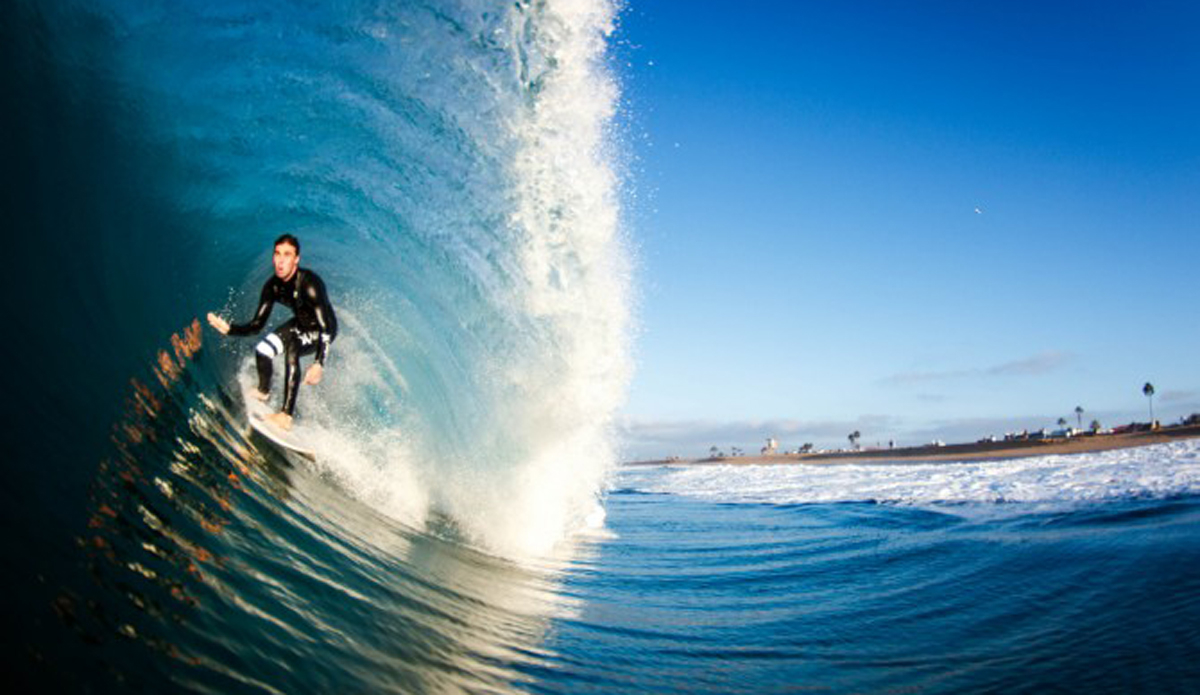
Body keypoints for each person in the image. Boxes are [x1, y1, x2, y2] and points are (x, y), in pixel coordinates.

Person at [207, 234, 337, 431]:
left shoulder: (310, 284)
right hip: (301, 323)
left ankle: (285, 416)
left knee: (293, 348)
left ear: (296, 259)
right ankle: (263, 391)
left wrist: (319, 363)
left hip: (323, 329)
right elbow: (257, 325)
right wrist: (230, 329)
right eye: (277, 254)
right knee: (263, 350)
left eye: (287, 254)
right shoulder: (273, 287)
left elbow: (325, 327)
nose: (281, 260)